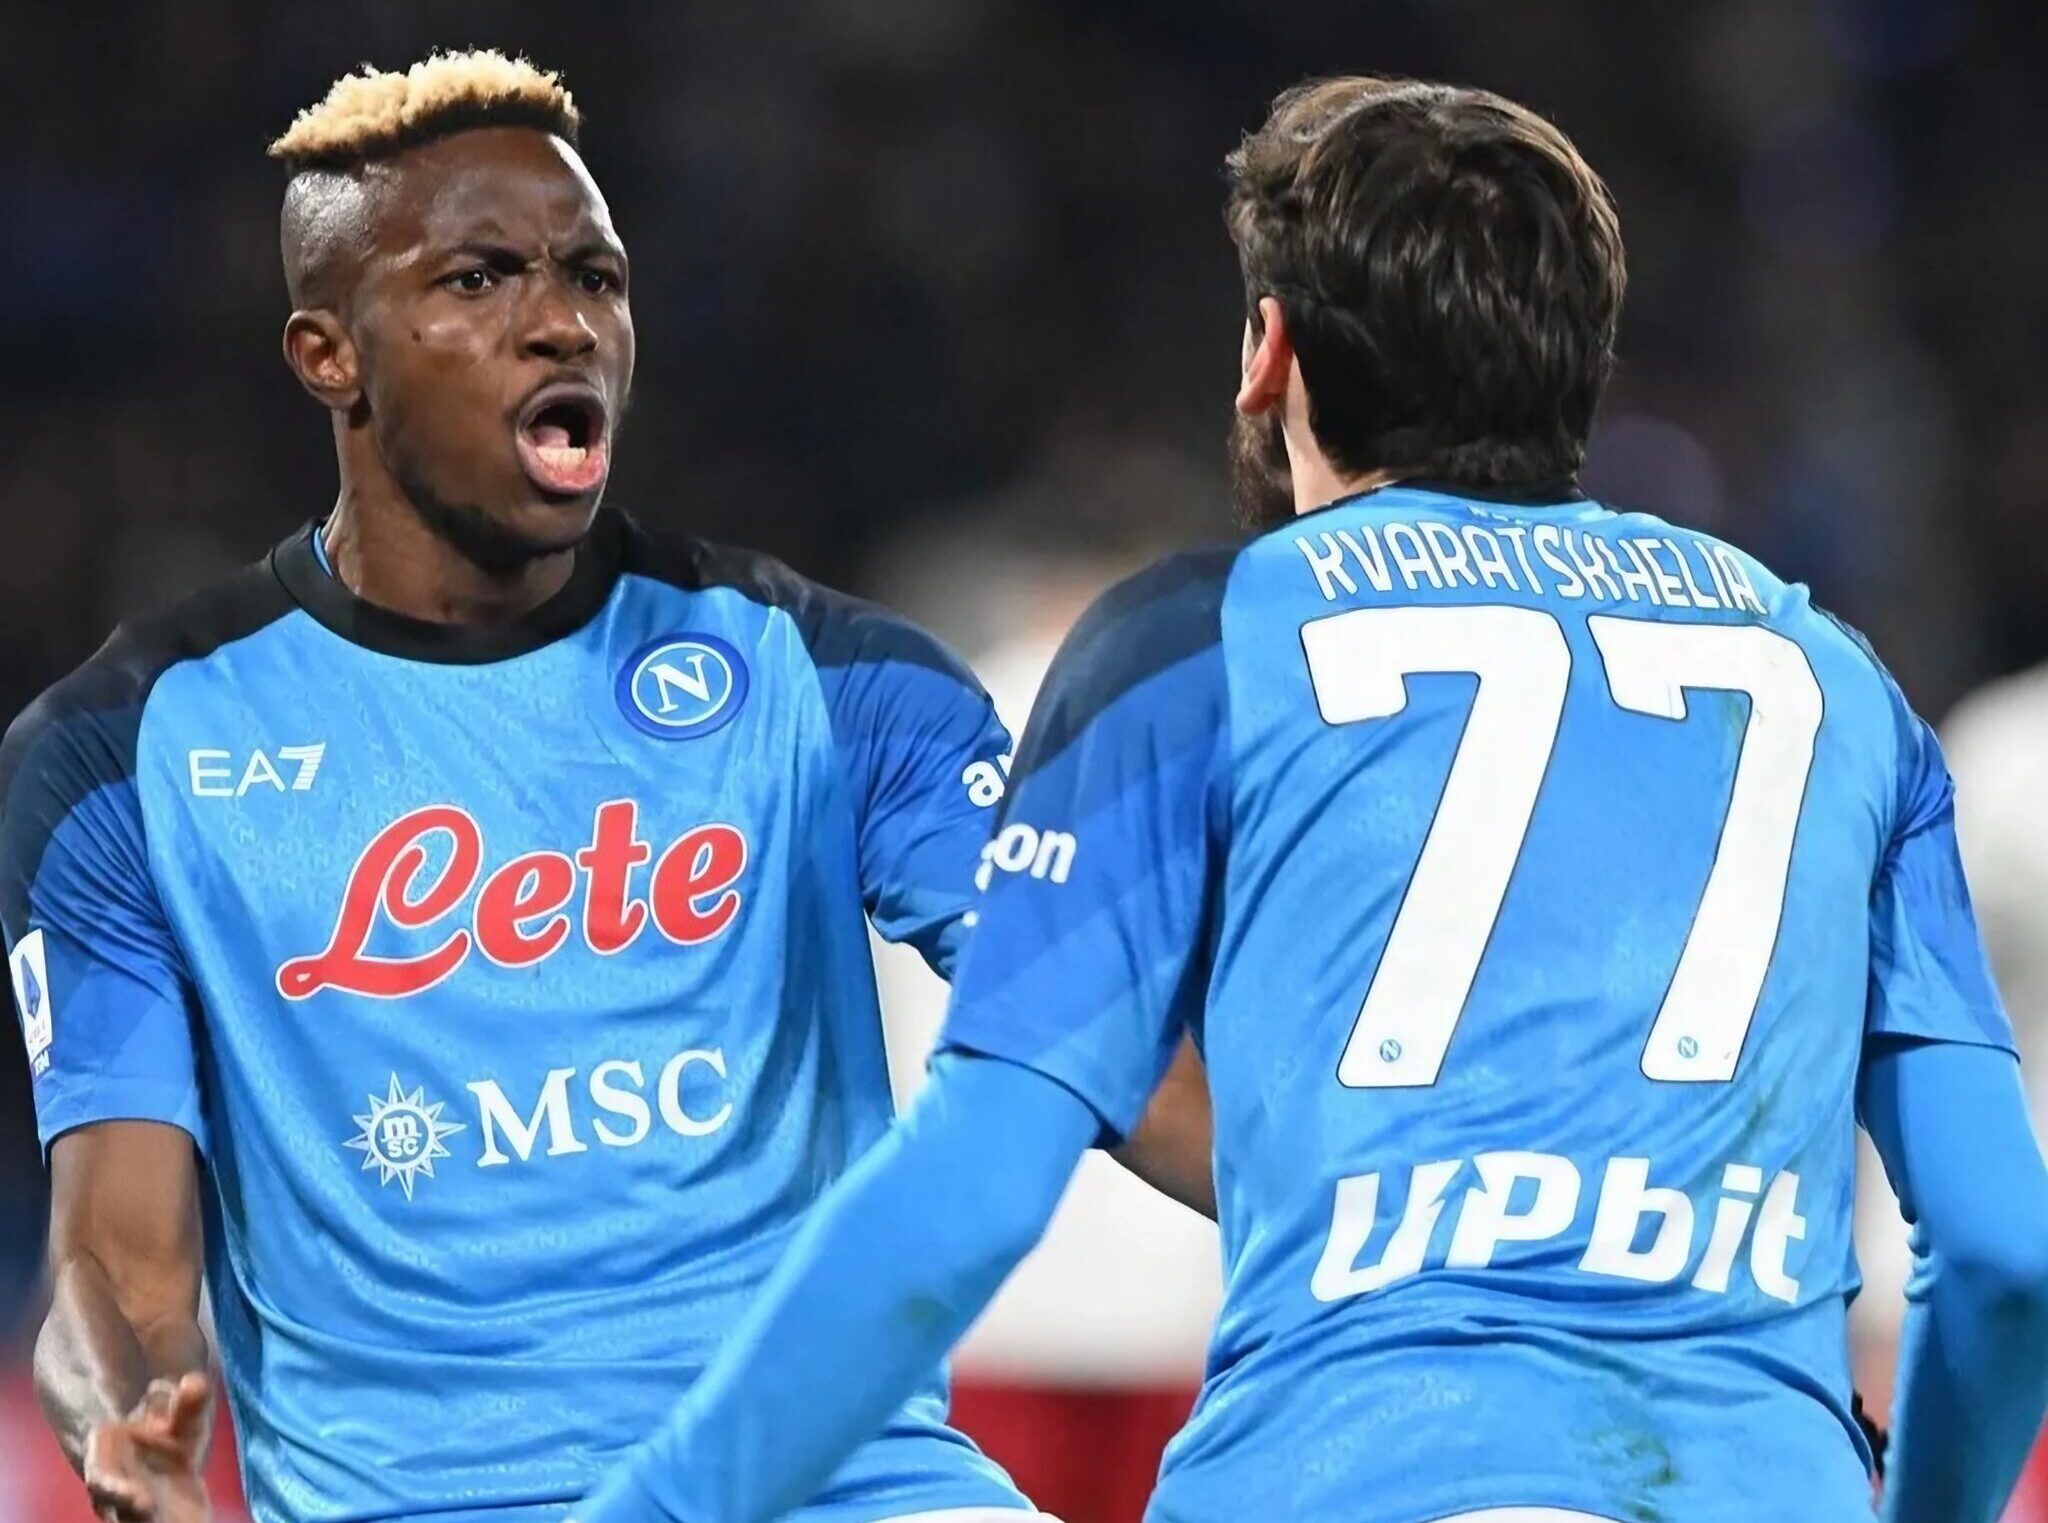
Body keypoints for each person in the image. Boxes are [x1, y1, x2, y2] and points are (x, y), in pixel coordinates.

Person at [574, 76, 2048, 1523]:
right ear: (1577, 367)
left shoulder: (1195, 645)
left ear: (1268, 351)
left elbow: (961, 1199)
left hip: (1342, 1471)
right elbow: (2003, 1255)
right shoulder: (1836, 681)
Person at [0, 49, 1201, 1523]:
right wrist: (129, 1435)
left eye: (595, 276)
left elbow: (1120, 1043)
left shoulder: (836, 686)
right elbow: (117, 1261)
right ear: (331, 354)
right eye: (479, 280)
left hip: (844, 1496)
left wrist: (1398, 1208)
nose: (560, 322)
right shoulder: (123, 759)